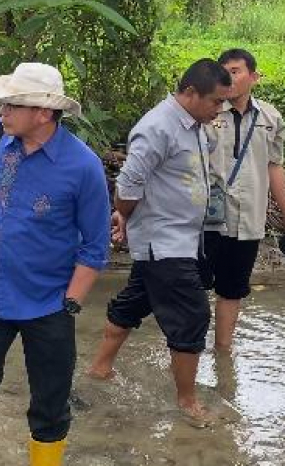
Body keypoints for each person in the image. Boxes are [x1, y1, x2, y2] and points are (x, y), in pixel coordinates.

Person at [0, 62, 110, 466]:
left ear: (44, 112)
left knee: (49, 408)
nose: (1, 112)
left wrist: (70, 304)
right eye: (2, 104)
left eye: (12, 105)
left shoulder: (83, 166)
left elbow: (95, 247)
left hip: (49, 304)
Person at [86, 59, 231, 426]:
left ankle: (99, 369)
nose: (220, 109)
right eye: (216, 101)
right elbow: (128, 184)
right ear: (191, 92)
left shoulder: (193, 124)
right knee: (192, 315)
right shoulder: (156, 127)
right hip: (163, 241)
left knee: (134, 302)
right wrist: (124, 214)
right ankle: (187, 403)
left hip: (181, 238)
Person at [204, 49, 285, 354]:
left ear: (254, 77)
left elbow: (274, 167)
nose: (229, 78)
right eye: (224, 72)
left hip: (248, 219)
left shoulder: (270, 118)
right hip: (206, 219)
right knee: (193, 284)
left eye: (235, 71)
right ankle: (187, 352)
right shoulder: (207, 112)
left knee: (232, 290)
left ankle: (223, 357)